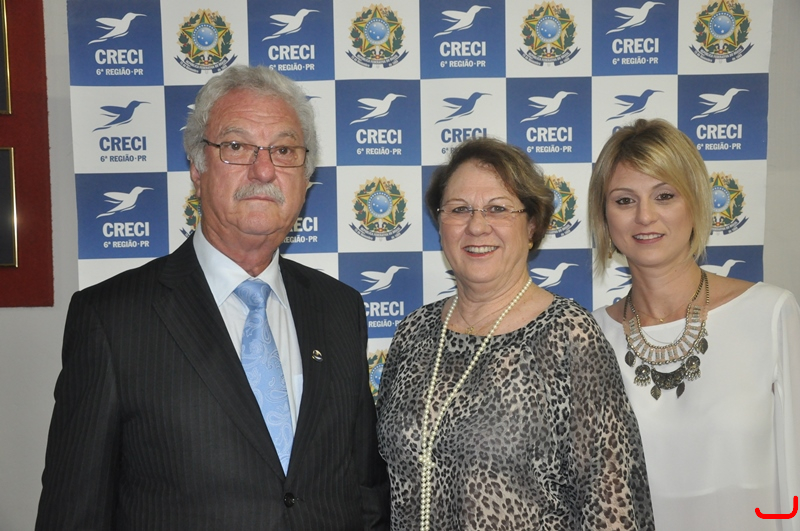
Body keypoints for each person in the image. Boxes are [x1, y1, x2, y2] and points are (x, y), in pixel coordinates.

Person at [36, 65, 389, 530]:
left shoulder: (340, 308)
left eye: (284, 150)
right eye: (237, 146)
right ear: (197, 169)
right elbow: (73, 513)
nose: (263, 170)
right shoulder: (111, 319)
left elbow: (365, 494)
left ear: (305, 179)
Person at [376, 137, 654, 530]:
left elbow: (613, 502)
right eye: (459, 209)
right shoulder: (414, 333)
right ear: (440, 224)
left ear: (532, 226)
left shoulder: (568, 334)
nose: (477, 226)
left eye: (498, 209)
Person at [589, 118, 800, 530]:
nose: (645, 216)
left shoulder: (770, 313)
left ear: (696, 202)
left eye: (664, 196)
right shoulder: (589, 337)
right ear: (605, 217)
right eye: (625, 200)